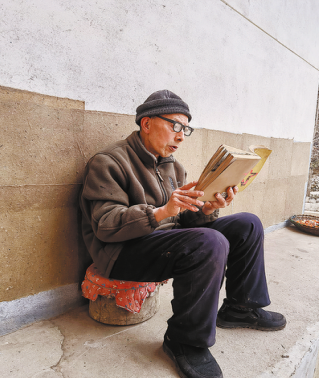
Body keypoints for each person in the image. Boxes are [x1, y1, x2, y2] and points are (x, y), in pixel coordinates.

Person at [79, 90, 286, 378]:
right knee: (209, 241)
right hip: (122, 251)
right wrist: (161, 212)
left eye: (186, 129)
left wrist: (208, 208)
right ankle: (183, 340)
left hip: (168, 240)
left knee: (247, 224)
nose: (181, 136)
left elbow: (186, 219)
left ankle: (241, 307)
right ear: (146, 123)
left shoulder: (174, 166)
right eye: (175, 125)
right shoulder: (109, 162)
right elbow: (105, 225)